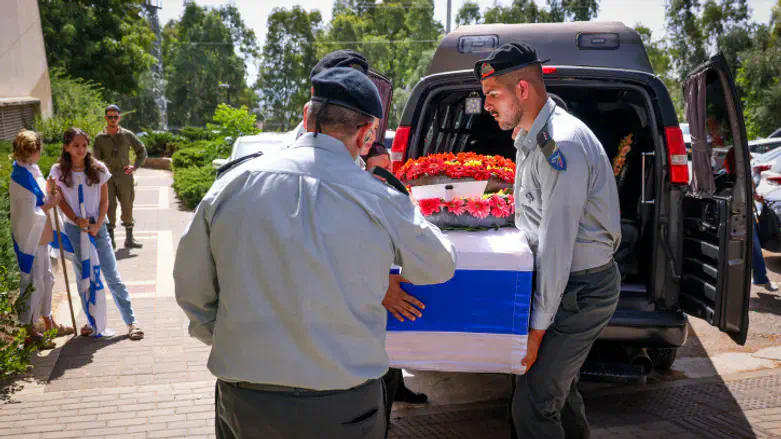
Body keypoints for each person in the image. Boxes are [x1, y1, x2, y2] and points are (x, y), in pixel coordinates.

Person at [174, 67, 457, 438]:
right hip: (342, 406)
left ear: (308, 117)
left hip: (246, 399)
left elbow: (192, 289)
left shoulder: (233, 184)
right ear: (365, 134)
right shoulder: (380, 198)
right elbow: (438, 266)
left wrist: (231, 338)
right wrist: (407, 204)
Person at [476, 42, 621, 438]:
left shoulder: (561, 146)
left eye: (493, 95)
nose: (487, 105)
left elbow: (556, 248)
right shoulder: (533, 137)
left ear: (522, 90)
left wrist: (536, 333)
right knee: (561, 389)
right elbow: (532, 214)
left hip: (580, 290)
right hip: (563, 284)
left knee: (534, 405)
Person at [50, 128, 144, 340]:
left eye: (84, 145)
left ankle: (131, 321)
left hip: (98, 227)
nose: (81, 149)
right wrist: (76, 219)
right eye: (76, 145)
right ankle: (91, 322)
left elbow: (105, 201)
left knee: (111, 274)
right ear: (66, 147)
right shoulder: (58, 171)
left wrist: (98, 223)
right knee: (83, 276)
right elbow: (60, 200)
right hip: (75, 229)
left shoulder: (98, 168)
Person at [9, 130, 70, 347]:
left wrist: (49, 189)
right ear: (31, 151)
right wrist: (51, 204)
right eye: (38, 149)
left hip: (41, 233)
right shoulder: (19, 176)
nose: (40, 152)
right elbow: (28, 212)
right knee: (33, 283)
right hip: (30, 238)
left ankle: (48, 321)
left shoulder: (31, 168)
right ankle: (30, 331)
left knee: (47, 279)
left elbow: (39, 198)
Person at [92, 104, 147, 250]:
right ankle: (110, 240)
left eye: (115, 117)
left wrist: (135, 166)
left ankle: (129, 238)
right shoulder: (99, 138)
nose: (112, 120)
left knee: (127, 204)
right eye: (109, 117)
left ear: (119, 118)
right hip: (107, 177)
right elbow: (95, 159)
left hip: (124, 175)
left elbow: (141, 150)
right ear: (105, 118)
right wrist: (99, 172)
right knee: (109, 206)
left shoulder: (127, 134)